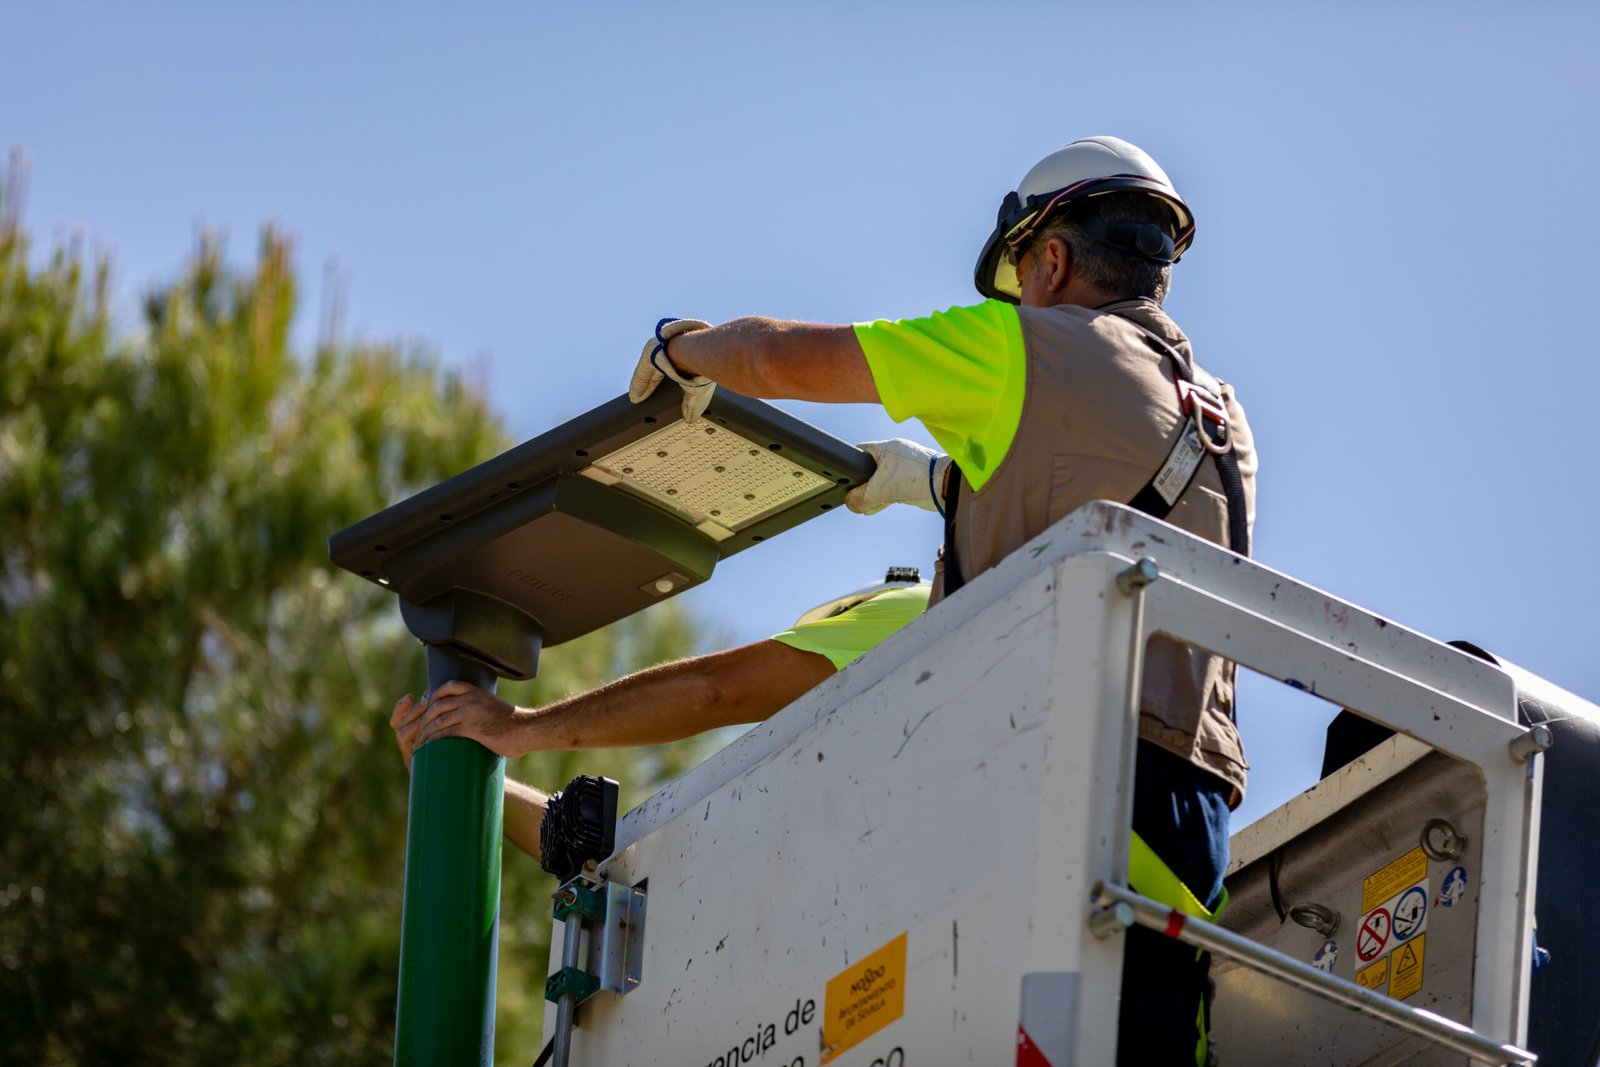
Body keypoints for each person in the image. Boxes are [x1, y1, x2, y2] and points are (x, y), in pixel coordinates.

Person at [627, 135, 1256, 1065]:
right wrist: (932, 480)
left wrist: (679, 347)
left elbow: (774, 359)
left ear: (1050, 257)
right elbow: (1095, 495)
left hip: (1048, 779)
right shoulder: (1221, 418)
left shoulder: (1014, 346)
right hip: (1183, 817)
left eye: (1020, 276)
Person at [389, 576, 932, 860]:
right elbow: (609, 861)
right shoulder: (822, 816)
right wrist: (459, 773)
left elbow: (712, 692)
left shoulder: (912, 608)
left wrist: (519, 729)